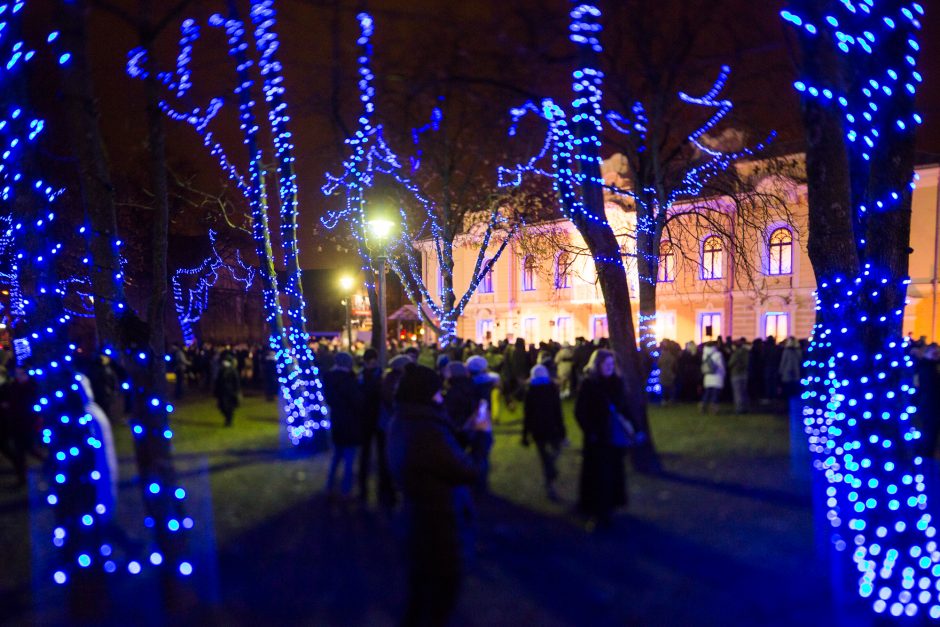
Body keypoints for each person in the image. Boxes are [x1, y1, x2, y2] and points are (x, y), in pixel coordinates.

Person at [387, 363, 486, 627]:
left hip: (421, 518)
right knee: (441, 592)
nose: (441, 395)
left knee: (421, 593)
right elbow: (465, 470)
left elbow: (443, 454)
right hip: (436, 522)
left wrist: (466, 433)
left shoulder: (408, 419)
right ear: (425, 394)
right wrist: (481, 442)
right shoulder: (425, 429)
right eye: (437, 391)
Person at [574, 349, 630, 528]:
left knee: (612, 473)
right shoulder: (589, 384)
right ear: (597, 365)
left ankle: (611, 505)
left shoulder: (617, 383)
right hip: (596, 438)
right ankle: (597, 510)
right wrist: (590, 431)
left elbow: (624, 407)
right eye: (606, 365)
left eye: (612, 365)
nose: (609, 368)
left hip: (613, 437)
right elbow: (580, 411)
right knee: (597, 475)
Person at [522, 364, 566, 501]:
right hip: (552, 426)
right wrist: (562, 429)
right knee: (555, 449)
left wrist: (525, 434)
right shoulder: (552, 389)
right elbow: (558, 412)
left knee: (544, 456)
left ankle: (550, 476)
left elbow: (527, 415)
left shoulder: (530, 392)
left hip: (538, 429)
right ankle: (550, 475)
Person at [322, 352, 363, 499]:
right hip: (350, 422)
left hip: (337, 420)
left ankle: (329, 486)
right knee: (349, 460)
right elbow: (358, 401)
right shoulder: (349, 380)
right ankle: (346, 490)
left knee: (336, 457)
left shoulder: (329, 379)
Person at [358, 348, 390, 504]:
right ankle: (382, 485)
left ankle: (363, 486)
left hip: (366, 418)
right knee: (380, 453)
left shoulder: (361, 376)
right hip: (378, 417)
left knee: (366, 453)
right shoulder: (381, 375)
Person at [0, 366, 37, 487]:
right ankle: (22, 477)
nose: (19, 376)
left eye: (21, 374)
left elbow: (29, 403)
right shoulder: (12, 386)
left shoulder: (30, 386)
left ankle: (42, 464)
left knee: (29, 449)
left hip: (26, 422)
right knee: (20, 450)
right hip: (15, 423)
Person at [466, 355, 498, 491]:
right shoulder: (487, 382)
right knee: (481, 454)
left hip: (478, 421)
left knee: (479, 453)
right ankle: (480, 481)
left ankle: (479, 483)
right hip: (484, 422)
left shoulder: (473, 385)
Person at [214, 353, 241, 427]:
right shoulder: (221, 370)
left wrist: (236, 391)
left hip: (230, 392)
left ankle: (229, 420)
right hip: (222, 391)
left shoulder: (233, 370)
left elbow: (236, 382)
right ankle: (228, 419)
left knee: (228, 407)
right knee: (222, 406)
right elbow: (218, 381)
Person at [700, 342, 726, 414]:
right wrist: (723, 375)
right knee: (715, 394)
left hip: (707, 377)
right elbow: (721, 366)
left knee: (707, 393)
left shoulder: (704, 354)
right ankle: (714, 409)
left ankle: (703, 407)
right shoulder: (718, 354)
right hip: (717, 377)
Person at [727, 339, 750, 414]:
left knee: (737, 392)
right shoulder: (746, 353)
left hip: (736, 374)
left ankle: (739, 409)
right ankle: (745, 407)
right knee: (744, 392)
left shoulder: (735, 353)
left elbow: (730, 363)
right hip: (744, 374)